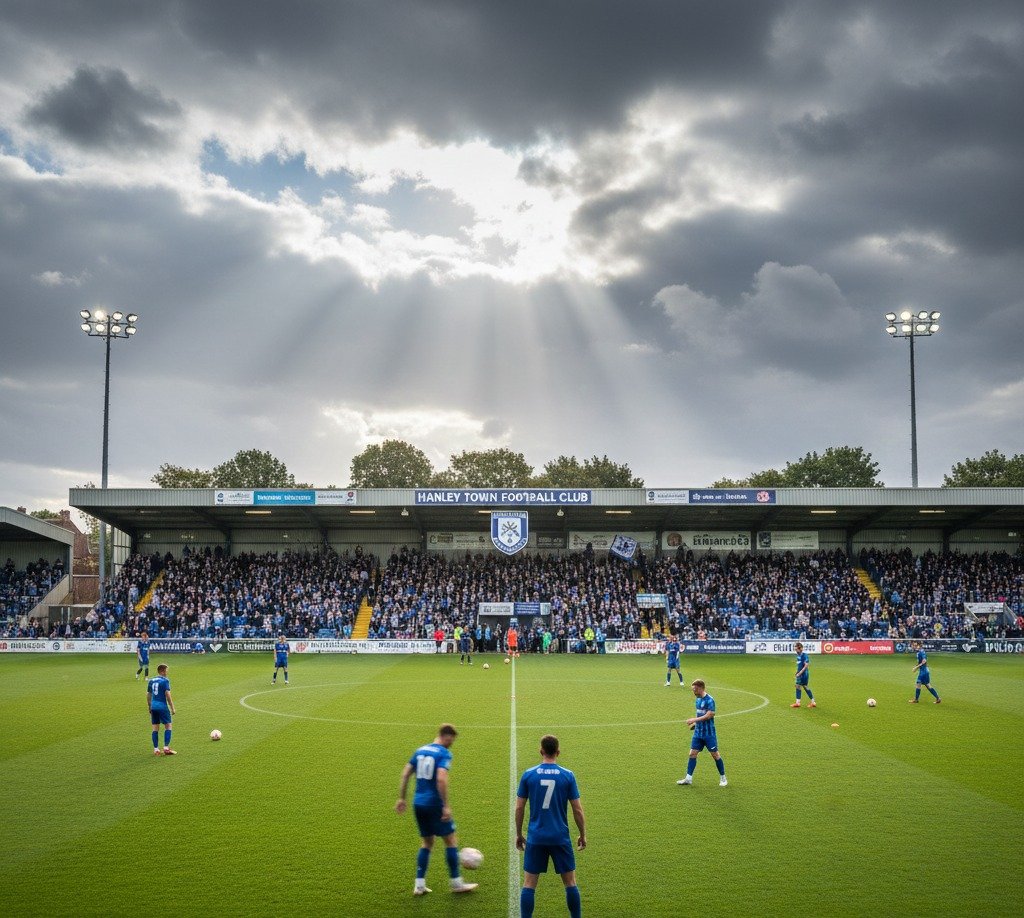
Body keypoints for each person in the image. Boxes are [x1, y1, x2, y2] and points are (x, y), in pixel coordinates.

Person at [395, 724, 478, 896]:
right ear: (445, 736)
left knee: (427, 843)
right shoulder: (443, 753)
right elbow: (441, 779)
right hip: (434, 804)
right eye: (451, 740)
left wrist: (402, 798)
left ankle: (419, 885)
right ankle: (456, 883)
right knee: (451, 841)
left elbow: (405, 774)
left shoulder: (420, 751)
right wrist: (445, 805)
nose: (452, 744)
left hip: (419, 803)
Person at [515, 734, 586, 918]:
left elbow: (519, 807)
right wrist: (582, 834)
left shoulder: (529, 775)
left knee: (529, 884)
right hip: (560, 837)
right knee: (570, 883)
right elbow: (577, 810)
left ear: (541, 751)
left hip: (536, 837)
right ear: (558, 752)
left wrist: (518, 833)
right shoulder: (567, 775)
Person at [678, 679, 726, 787]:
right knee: (692, 754)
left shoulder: (710, 700)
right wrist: (696, 725)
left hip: (709, 734)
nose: (693, 692)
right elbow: (701, 715)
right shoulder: (698, 699)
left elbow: (709, 715)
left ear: (700, 688)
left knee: (715, 755)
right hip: (698, 734)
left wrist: (694, 720)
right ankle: (688, 778)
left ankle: (723, 778)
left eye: (694, 690)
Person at [147, 663, 176, 756]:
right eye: (166, 670)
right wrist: (172, 708)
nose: (167, 672)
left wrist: (149, 706)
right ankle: (166, 748)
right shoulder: (165, 681)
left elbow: (148, 695)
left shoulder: (151, 680)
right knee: (168, 726)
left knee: (155, 728)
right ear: (162, 671)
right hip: (162, 706)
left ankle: (156, 749)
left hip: (153, 706)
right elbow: (168, 695)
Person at [790, 641, 816, 708]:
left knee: (800, 686)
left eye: (796, 649)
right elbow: (799, 665)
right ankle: (812, 702)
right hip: (800, 674)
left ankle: (799, 703)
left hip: (804, 674)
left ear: (800, 648)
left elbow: (806, 665)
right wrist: (797, 672)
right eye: (795, 649)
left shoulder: (804, 655)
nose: (796, 651)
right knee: (802, 686)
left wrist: (799, 673)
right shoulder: (798, 656)